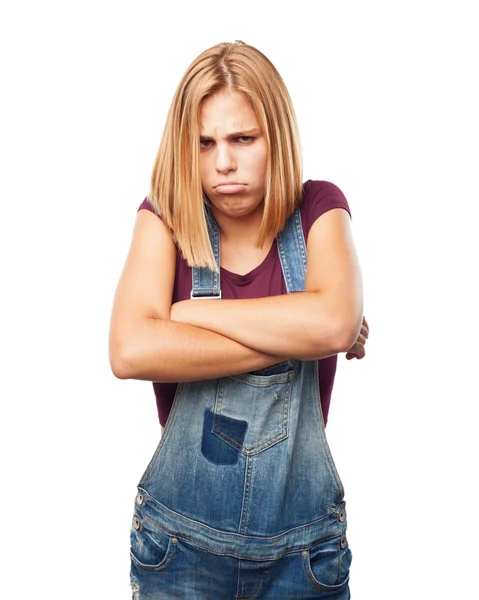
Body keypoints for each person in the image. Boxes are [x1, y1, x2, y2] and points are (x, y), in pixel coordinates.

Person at [109, 40, 368, 599]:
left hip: (304, 558)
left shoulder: (320, 209)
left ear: (277, 135)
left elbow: (334, 323)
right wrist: (303, 333)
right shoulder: (165, 219)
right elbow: (129, 349)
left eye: (242, 139)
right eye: (204, 144)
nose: (222, 163)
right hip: (177, 552)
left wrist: (191, 317)